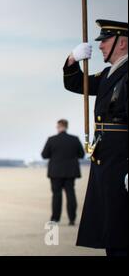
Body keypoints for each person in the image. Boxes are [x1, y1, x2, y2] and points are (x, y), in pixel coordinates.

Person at [63, 19, 128, 256]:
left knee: (122, 227)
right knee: (113, 227)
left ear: (122, 43)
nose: (99, 46)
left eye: (105, 41)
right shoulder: (111, 72)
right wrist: (72, 59)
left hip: (122, 163)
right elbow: (76, 84)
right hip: (107, 164)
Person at [41, 119, 85, 225]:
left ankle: (55, 218)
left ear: (59, 126)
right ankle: (72, 219)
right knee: (70, 194)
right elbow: (82, 155)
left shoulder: (52, 140)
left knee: (56, 195)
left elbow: (44, 155)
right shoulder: (74, 139)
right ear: (66, 126)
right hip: (71, 172)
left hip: (55, 172)